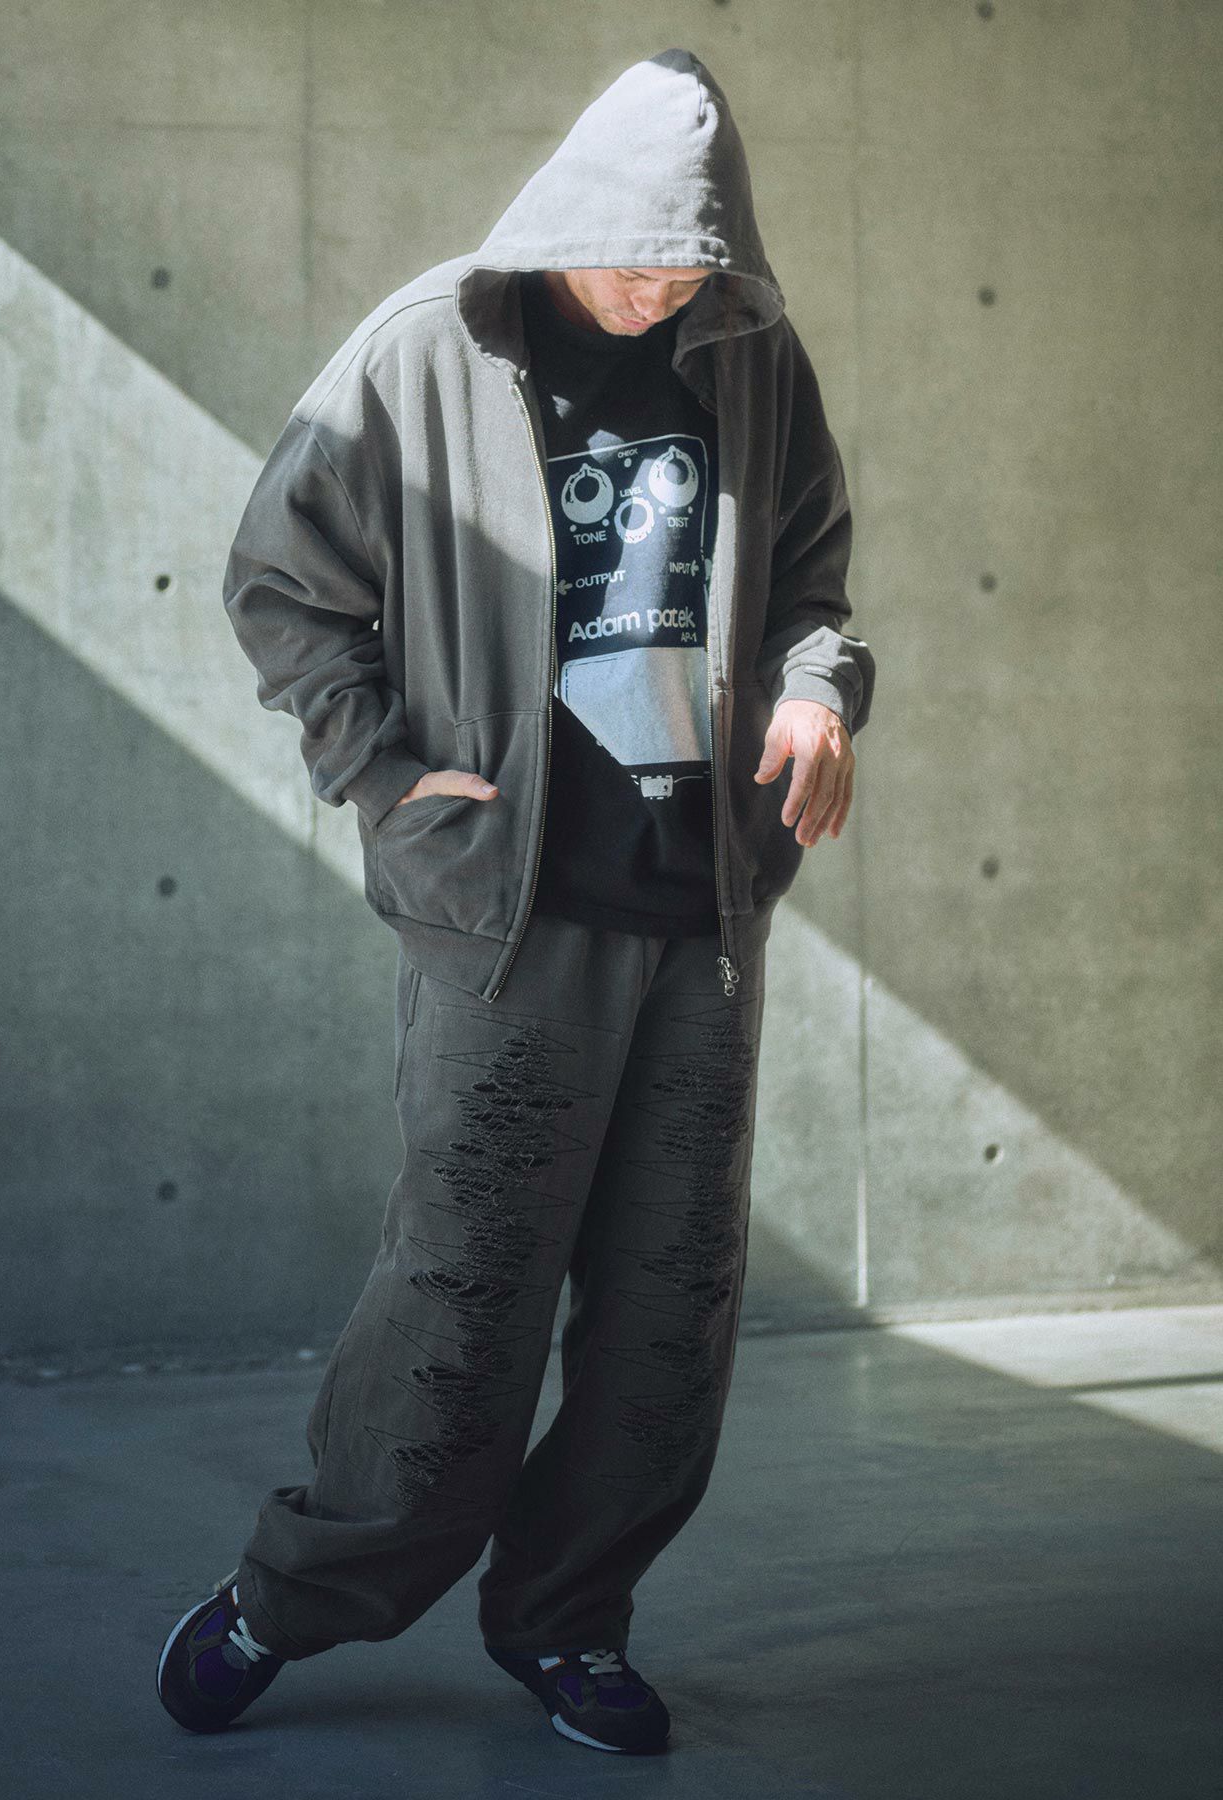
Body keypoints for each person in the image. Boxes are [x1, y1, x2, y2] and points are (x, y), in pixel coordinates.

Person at [156, 46, 875, 1756]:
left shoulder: (749, 350)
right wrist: (387, 775)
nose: (658, 289)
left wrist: (818, 689)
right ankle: (289, 1595)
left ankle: (567, 1622)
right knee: (462, 1299)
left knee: (670, 1311)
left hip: (700, 914)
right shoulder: (427, 348)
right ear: (568, 212)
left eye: (690, 265)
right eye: (634, 257)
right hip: (505, 918)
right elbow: (280, 580)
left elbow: (810, 574)